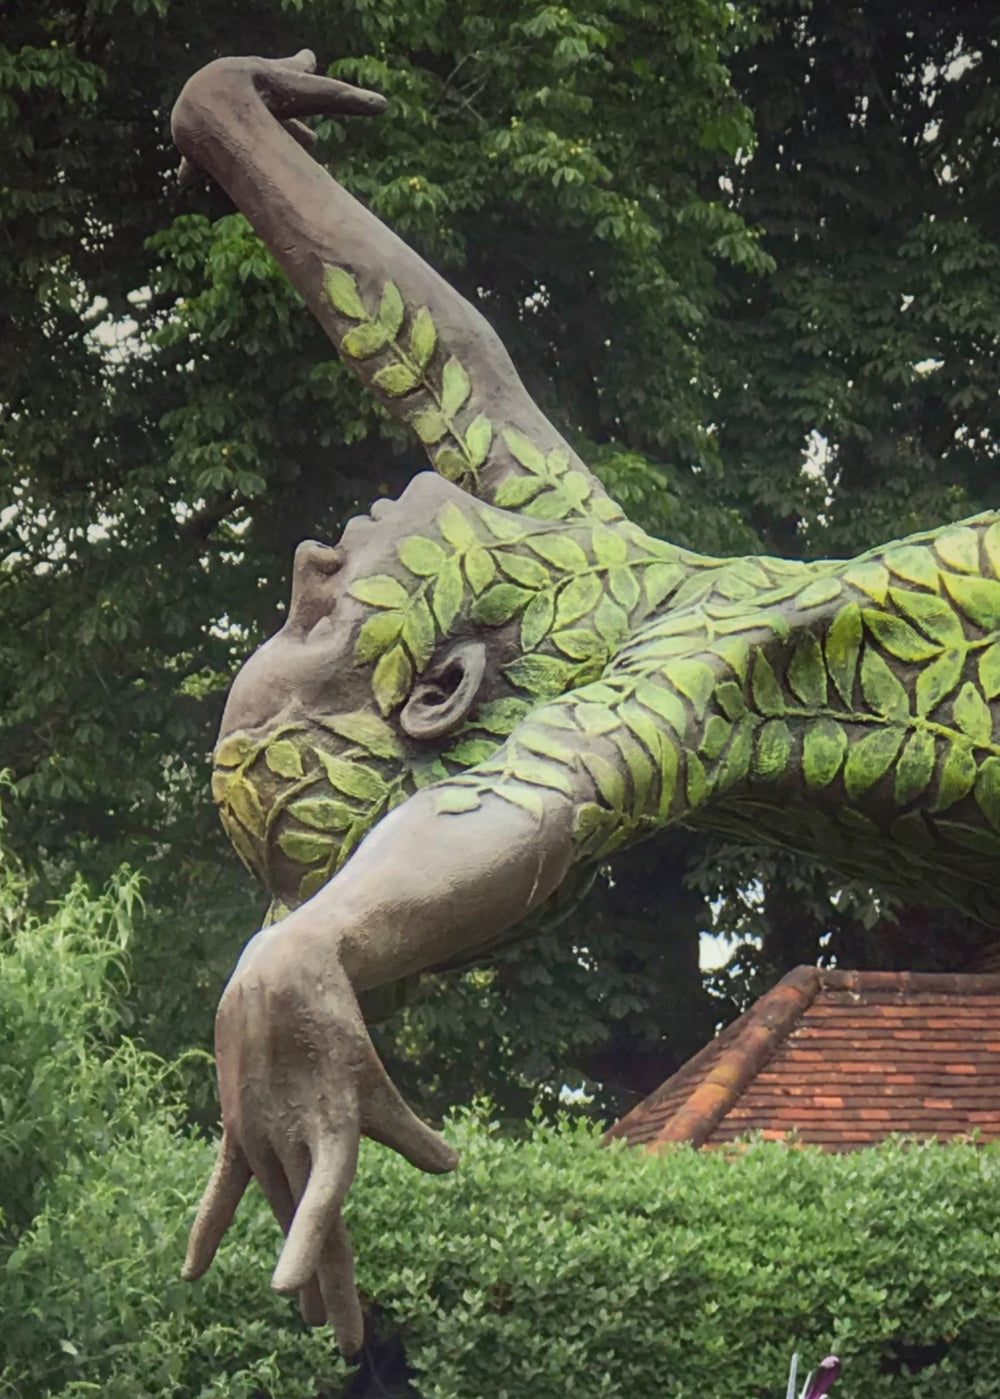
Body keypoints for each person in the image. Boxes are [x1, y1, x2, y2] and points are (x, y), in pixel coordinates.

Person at [172, 52, 1000, 1354]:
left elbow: (432, 355)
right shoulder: (678, 673)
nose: (311, 563)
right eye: (318, 626)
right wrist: (311, 945)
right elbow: (532, 800)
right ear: (443, 689)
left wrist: (225, 127)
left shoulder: (597, 571)